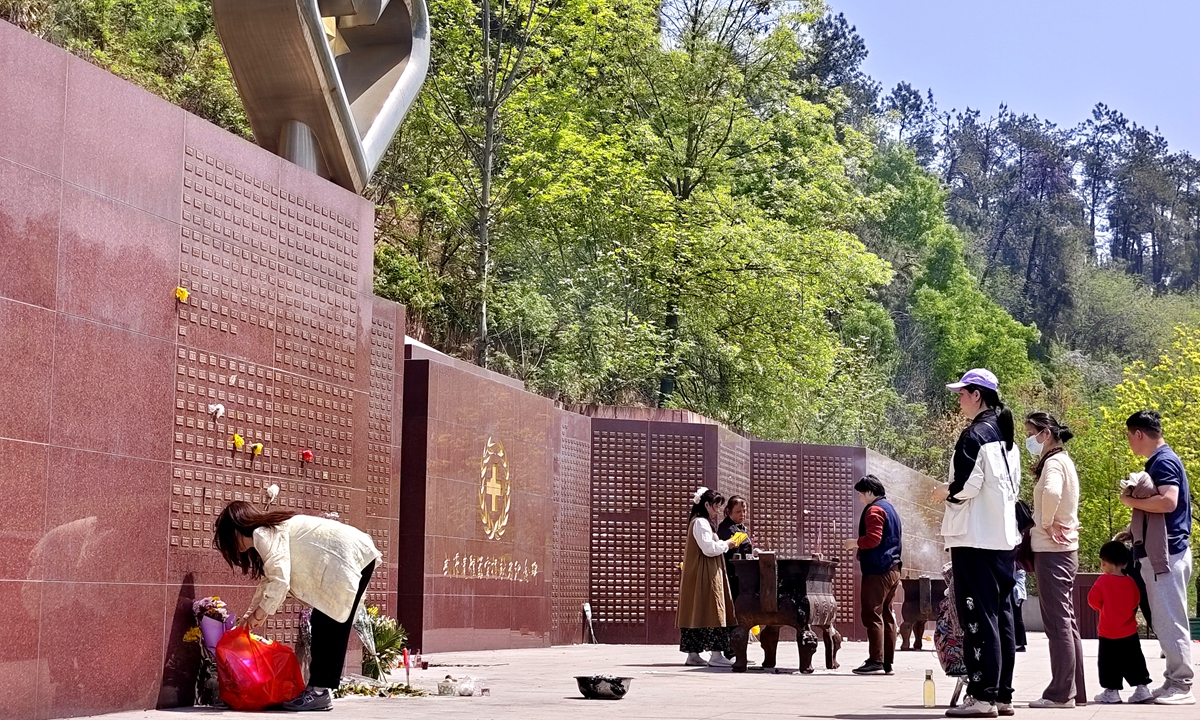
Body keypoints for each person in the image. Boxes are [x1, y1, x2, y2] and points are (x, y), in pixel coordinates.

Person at [214, 501, 381, 711]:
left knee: (328, 624)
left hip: (346, 557)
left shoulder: (263, 534)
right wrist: (251, 616)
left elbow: (280, 580)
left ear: (236, 531)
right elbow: (269, 580)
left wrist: (258, 615)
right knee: (327, 622)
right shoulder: (267, 533)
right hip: (354, 555)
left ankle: (319, 692)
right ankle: (319, 690)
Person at [932, 368, 1021, 718]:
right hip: (1002, 539)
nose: (959, 400)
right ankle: (1002, 695)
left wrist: (944, 492)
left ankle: (982, 696)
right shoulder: (1006, 437)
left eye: (962, 393)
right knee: (1001, 616)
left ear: (977, 395)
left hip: (974, 539)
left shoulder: (974, 435)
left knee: (977, 618)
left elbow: (966, 485)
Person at [1121, 410, 1194, 705]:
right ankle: (1173, 681)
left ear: (1139, 434)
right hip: (1164, 551)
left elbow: (1168, 501)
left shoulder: (1163, 461)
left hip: (1167, 553)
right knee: (1165, 620)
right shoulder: (1161, 460)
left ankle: (1182, 685)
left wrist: (1130, 500)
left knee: (1170, 619)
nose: (1129, 442)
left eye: (1129, 436)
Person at [1024, 412, 1087, 708]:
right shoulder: (1065, 461)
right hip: (1064, 551)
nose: (1028, 440)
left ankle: (1061, 693)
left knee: (1058, 622)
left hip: (1052, 551)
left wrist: (1046, 523)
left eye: (1031, 433)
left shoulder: (1054, 462)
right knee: (1067, 621)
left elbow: (1050, 492)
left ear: (1046, 433)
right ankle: (1075, 691)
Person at [842, 474, 902, 676]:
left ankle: (876, 661)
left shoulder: (875, 509)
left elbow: (873, 539)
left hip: (878, 570)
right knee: (887, 614)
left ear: (869, 492)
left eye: (861, 494)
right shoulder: (890, 508)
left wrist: (854, 543)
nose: (860, 498)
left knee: (872, 614)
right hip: (893, 568)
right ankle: (887, 662)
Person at [678, 487, 739, 668]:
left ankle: (693, 654)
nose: (717, 511)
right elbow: (709, 549)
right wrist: (727, 543)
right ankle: (716, 654)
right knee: (714, 610)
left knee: (696, 611)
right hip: (706, 574)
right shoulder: (701, 523)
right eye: (715, 506)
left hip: (699, 573)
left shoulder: (697, 522)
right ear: (706, 505)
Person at [1088, 541, 1153, 705]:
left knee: (1108, 663)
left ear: (1104, 563)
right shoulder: (1131, 581)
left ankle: (1112, 691)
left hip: (1108, 631)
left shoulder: (1102, 581)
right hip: (1129, 631)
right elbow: (1135, 601)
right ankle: (1142, 688)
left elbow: (1093, 601)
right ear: (1125, 563)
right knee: (1134, 660)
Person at [1012, 569, 1027, 653]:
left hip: (1017, 595)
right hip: (1018, 595)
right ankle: (1019, 643)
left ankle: (1020, 643)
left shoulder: (1019, 571)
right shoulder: (1020, 571)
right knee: (1017, 618)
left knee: (1017, 619)